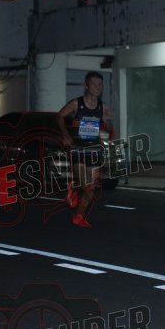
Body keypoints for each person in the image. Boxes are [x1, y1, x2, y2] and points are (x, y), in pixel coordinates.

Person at [57, 71, 113, 229]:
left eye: (100, 84)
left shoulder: (103, 107)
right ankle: (74, 190)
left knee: (92, 186)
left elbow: (107, 127)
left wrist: (106, 129)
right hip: (78, 149)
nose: (97, 87)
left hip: (94, 149)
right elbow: (59, 116)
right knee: (85, 184)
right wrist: (65, 134)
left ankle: (79, 216)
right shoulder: (76, 103)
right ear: (86, 85)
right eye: (94, 84)